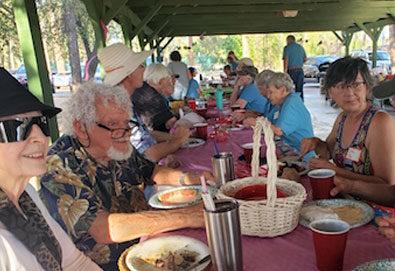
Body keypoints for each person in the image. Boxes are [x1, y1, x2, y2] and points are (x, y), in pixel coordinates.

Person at [39, 82, 212, 269]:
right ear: (81, 128)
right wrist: (188, 217)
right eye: (113, 124)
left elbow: (152, 171)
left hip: (147, 247)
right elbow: (104, 229)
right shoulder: (58, 165)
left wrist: (195, 178)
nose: (125, 134)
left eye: (126, 123)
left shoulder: (117, 145)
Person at [0, 68, 101, 271]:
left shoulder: (25, 194)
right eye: (19, 127)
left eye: (41, 123)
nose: (40, 137)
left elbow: (74, 263)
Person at [300, 57, 395, 185]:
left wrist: (335, 170)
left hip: (372, 204)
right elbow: (328, 152)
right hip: (345, 199)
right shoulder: (343, 118)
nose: (349, 92)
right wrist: (316, 143)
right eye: (341, 86)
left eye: (356, 85)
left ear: (367, 87)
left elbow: (387, 185)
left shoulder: (380, 122)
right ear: (330, 92)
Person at [98, 43, 189, 163]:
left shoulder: (126, 100)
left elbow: (146, 135)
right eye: (140, 65)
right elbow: (149, 154)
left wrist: (173, 139)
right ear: (129, 73)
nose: (144, 69)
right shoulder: (118, 107)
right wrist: (179, 140)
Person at [243, 72, 316, 161]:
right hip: (290, 151)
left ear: (282, 90)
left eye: (271, 92)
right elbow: (269, 121)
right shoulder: (281, 103)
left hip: (303, 156)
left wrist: (257, 122)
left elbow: (278, 131)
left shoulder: (291, 103)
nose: (268, 96)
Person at [132, 63, 178, 132]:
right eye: (168, 80)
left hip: (141, 133)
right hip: (150, 137)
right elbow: (171, 123)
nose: (170, 82)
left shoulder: (142, 89)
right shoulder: (153, 96)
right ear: (160, 81)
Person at [283, 35, 307, 101]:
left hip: (291, 71)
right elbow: (305, 59)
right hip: (300, 70)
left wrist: (285, 72)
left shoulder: (287, 48)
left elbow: (286, 60)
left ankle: (290, 103)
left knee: (288, 88)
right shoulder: (300, 47)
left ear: (288, 40)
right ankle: (300, 102)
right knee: (299, 89)